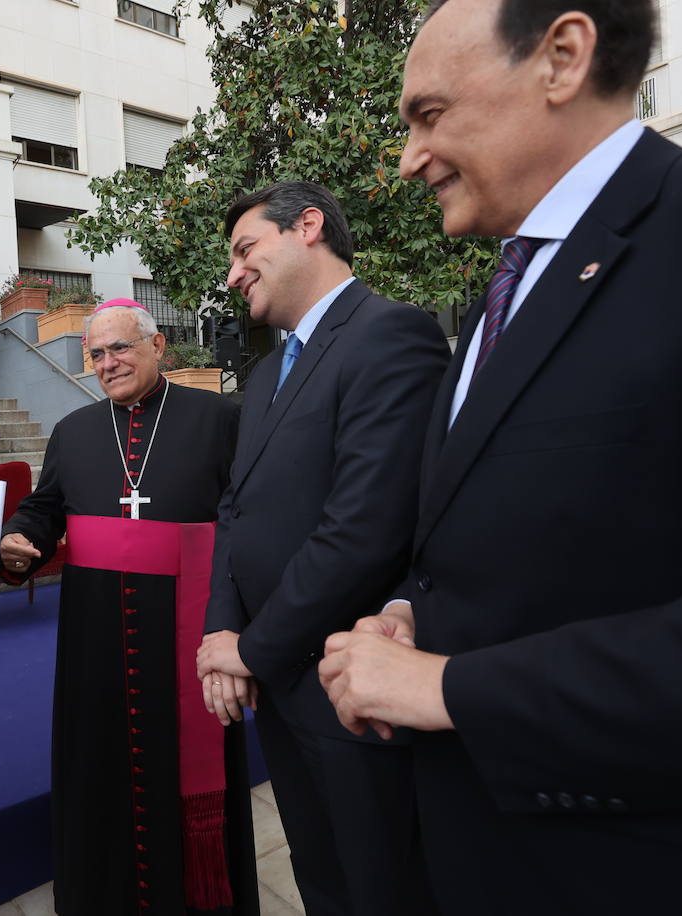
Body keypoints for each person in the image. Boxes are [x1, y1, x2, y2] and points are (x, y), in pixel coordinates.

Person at [317, 1, 682, 913]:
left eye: (428, 114)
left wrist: (453, 688)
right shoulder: (501, 295)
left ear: (562, 57)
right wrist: (414, 611)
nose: (409, 157)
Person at [198, 181, 449, 916]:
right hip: (280, 688)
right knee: (321, 880)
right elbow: (234, 509)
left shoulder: (390, 333)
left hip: (353, 692)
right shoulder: (268, 371)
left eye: (246, 249)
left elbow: (365, 529)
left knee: (383, 889)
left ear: (307, 226)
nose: (233, 272)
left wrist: (251, 650)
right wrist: (223, 628)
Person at [0, 300, 255, 915]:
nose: (108, 364)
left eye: (120, 348)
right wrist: (21, 540)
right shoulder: (74, 431)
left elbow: (246, 519)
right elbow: (45, 507)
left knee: (186, 771)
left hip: (188, 633)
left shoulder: (219, 419)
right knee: (100, 768)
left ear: (158, 346)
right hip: (96, 640)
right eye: (97, 355)